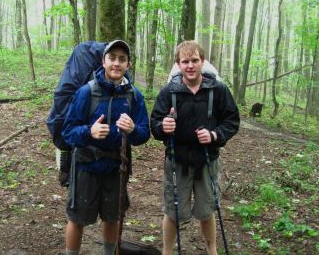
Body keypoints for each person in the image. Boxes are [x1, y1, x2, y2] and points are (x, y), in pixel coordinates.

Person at [150, 40, 240, 255]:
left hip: (207, 160)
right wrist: (164, 125)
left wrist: (215, 135)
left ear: (203, 62)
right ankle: (167, 252)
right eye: (185, 61)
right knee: (173, 211)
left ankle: (212, 250)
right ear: (178, 65)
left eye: (194, 60)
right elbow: (154, 124)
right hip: (176, 160)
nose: (190, 66)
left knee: (207, 209)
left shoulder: (217, 89)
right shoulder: (169, 91)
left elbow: (232, 120)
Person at [61, 40, 150, 255]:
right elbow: (68, 132)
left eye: (122, 59)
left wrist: (132, 130)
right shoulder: (86, 92)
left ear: (128, 64)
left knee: (113, 217)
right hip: (85, 166)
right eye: (112, 58)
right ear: (103, 62)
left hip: (116, 168)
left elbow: (144, 134)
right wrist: (88, 132)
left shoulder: (134, 96)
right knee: (77, 219)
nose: (116, 63)